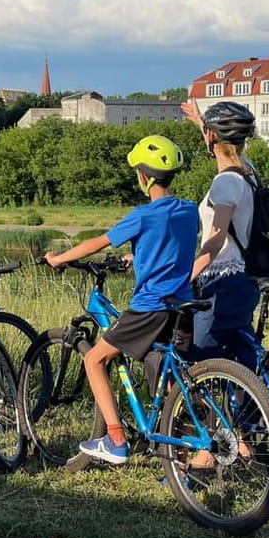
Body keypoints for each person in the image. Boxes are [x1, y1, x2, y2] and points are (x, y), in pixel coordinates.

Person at [44, 135, 198, 464]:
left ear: (143, 176)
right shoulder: (189, 211)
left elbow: (98, 243)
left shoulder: (143, 215)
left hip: (151, 307)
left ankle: (115, 440)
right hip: (183, 305)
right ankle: (182, 461)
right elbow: (169, 246)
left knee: (95, 359)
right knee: (171, 385)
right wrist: (136, 257)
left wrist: (59, 259)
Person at [180, 100, 260, 372]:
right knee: (244, 363)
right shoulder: (248, 172)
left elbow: (215, 239)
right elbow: (224, 140)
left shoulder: (224, 182)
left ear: (211, 136)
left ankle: (196, 413)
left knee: (199, 366)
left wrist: (185, 276)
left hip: (220, 286)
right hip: (245, 282)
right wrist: (201, 120)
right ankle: (256, 413)